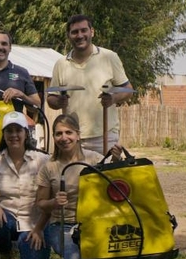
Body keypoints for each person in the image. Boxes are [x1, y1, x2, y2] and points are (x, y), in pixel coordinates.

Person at [36, 114, 121, 259]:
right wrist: (54, 202)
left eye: (69, 132)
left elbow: (116, 181)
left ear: (78, 135)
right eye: (58, 134)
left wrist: (116, 160)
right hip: (61, 225)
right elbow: (41, 203)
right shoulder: (48, 167)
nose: (64, 138)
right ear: (53, 137)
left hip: (93, 223)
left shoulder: (94, 159)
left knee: (101, 251)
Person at [47, 14, 134, 154]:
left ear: (91, 32)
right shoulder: (61, 64)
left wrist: (113, 98)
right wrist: (59, 101)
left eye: (83, 30)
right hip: (72, 137)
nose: (79, 35)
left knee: (105, 175)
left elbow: (128, 90)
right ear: (69, 35)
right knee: (74, 175)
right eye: (74, 32)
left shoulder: (109, 57)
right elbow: (51, 98)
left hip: (105, 136)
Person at [0, 111, 51, 259]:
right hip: (7, 215)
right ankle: (5, 253)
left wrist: (39, 228)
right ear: (3, 134)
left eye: (18, 130)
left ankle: (23, 247)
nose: (14, 135)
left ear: (26, 133)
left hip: (34, 222)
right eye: (9, 131)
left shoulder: (42, 160)